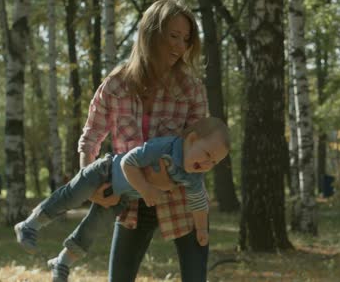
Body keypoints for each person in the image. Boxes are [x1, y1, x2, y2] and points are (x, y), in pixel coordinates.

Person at [63, 0, 209, 281]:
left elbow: (200, 149)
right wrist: (90, 182)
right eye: (173, 36)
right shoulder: (116, 84)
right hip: (130, 201)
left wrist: (171, 176)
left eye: (186, 39)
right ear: (151, 33)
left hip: (183, 200)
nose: (180, 46)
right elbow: (91, 135)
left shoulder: (191, 88)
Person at [14, 117, 230, 281]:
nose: (208, 164)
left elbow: (199, 202)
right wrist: (146, 188)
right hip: (105, 172)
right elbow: (128, 161)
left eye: (214, 163)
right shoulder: (165, 147)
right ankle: (29, 224)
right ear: (191, 140)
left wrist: (201, 229)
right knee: (71, 197)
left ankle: (61, 262)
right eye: (207, 154)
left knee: (93, 228)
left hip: (122, 197)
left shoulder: (192, 176)